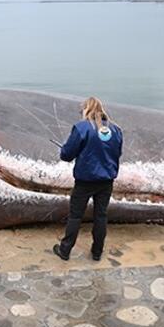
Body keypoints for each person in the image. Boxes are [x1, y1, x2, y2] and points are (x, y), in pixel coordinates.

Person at [53, 97, 123, 261]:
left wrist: (65, 151)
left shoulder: (82, 128)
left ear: (86, 110)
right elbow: (117, 153)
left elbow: (66, 155)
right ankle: (97, 252)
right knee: (101, 216)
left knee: (75, 216)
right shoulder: (116, 130)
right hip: (106, 181)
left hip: (85, 181)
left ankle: (65, 250)